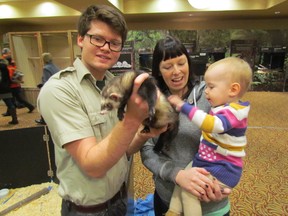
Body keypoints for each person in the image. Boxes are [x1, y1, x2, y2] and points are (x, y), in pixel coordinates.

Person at [37, 5, 166, 216]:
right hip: (88, 211)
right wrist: (132, 118)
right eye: (97, 39)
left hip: (121, 201)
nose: (106, 48)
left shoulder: (112, 85)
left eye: (114, 43)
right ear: (81, 39)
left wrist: (145, 134)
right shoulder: (59, 89)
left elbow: (120, 149)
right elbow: (93, 165)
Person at [140, 35, 231, 216]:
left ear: (189, 63)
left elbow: (233, 137)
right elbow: (147, 150)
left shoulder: (210, 95)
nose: (176, 71)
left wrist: (225, 179)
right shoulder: (152, 102)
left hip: (210, 200)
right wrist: (177, 175)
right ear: (158, 70)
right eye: (167, 66)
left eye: (181, 63)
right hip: (168, 198)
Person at [166, 57, 252, 216]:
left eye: (211, 87)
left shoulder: (234, 112)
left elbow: (211, 124)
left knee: (189, 191)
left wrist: (183, 106)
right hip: (206, 163)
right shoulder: (222, 106)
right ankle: (173, 210)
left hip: (222, 169)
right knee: (184, 177)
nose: (206, 91)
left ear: (233, 90)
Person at [2, 48, 35, 116]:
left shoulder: (8, 67)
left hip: (12, 86)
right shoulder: (12, 64)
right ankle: (9, 112)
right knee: (13, 99)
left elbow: (10, 77)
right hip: (15, 85)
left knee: (14, 99)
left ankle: (30, 107)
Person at [35, 52, 60, 124]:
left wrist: (41, 85)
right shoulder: (55, 66)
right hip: (57, 87)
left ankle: (44, 120)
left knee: (43, 105)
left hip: (49, 89)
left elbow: (46, 81)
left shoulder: (46, 68)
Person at [0, 58, 18, 124]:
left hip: (1, 88)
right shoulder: (6, 68)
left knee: (9, 103)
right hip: (7, 88)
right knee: (10, 104)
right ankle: (14, 119)